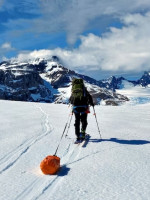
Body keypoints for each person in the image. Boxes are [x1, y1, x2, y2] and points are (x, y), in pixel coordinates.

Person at [69, 78, 94, 142]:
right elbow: (89, 97)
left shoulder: (73, 90)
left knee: (77, 121)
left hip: (75, 108)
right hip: (84, 107)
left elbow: (70, 100)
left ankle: (77, 135)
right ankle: (83, 133)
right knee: (83, 120)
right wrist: (92, 104)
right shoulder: (84, 89)